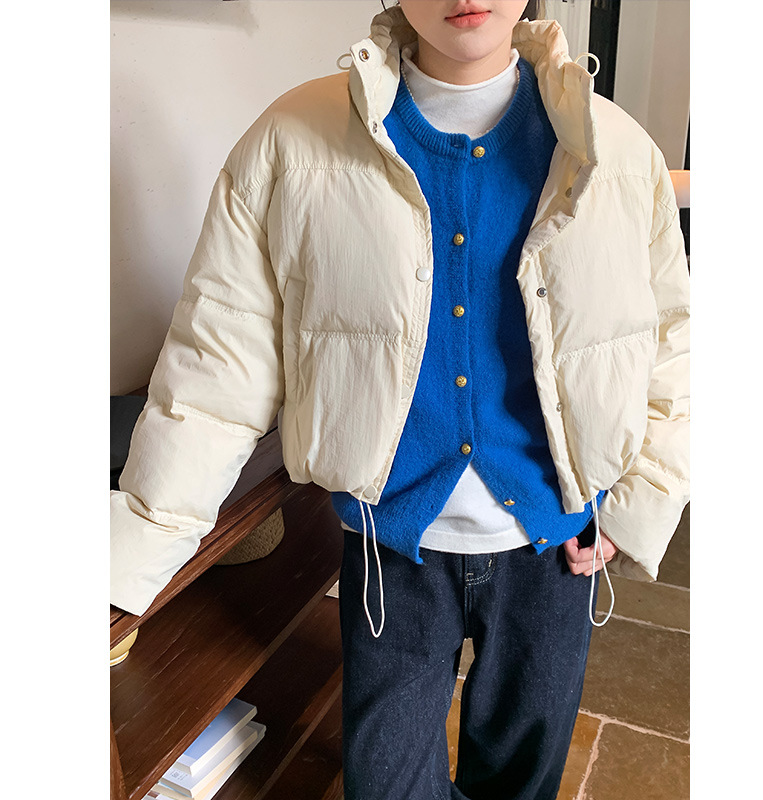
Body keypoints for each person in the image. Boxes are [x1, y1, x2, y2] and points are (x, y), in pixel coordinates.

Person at [111, 1, 689, 798]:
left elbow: (670, 342)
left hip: (555, 551)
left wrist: (640, 503)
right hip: (391, 552)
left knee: (522, 780)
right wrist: (130, 554)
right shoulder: (292, 140)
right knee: (385, 782)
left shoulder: (616, 148)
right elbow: (218, 362)